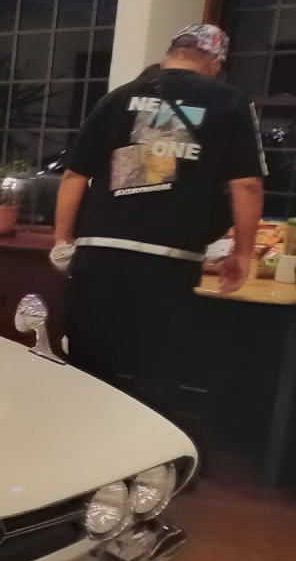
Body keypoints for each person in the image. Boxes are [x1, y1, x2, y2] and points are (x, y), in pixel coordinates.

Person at [53, 23, 266, 425]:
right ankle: (148, 455)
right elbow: (247, 185)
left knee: (87, 369)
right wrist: (241, 253)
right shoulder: (229, 101)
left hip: (99, 255)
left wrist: (62, 241)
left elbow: (74, 176)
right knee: (155, 374)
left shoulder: (118, 97)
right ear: (215, 63)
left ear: (170, 53)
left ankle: (78, 445)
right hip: (167, 263)